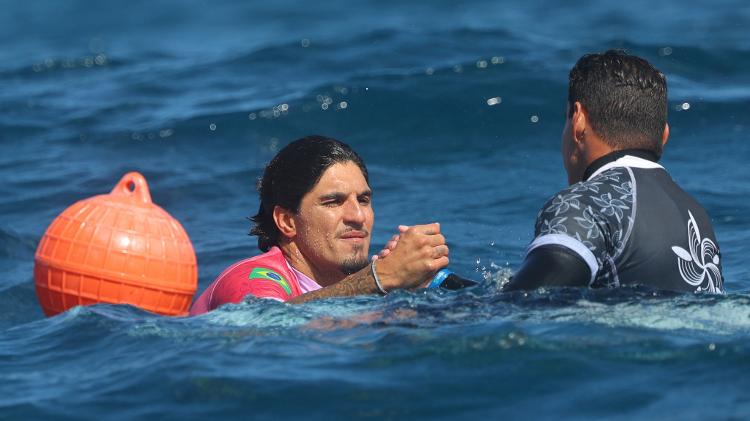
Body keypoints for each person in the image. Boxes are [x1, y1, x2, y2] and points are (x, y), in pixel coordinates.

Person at [505, 50, 724, 293]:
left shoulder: (587, 204)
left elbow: (523, 304)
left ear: (578, 121)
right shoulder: (697, 216)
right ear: (664, 135)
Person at [190, 135, 450, 315]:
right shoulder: (249, 279)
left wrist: (412, 291)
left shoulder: (361, 285)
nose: (358, 216)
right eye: (333, 202)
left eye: (363, 199)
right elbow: (265, 326)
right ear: (287, 221)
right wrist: (382, 277)